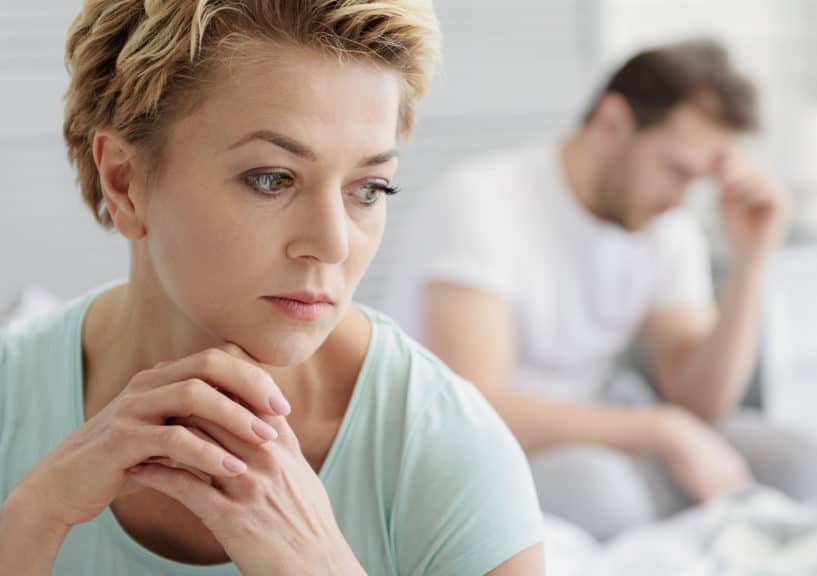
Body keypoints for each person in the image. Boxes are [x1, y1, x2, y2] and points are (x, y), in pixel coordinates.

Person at [0, 1, 545, 574]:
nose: (333, 243)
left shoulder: (443, 451)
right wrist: (32, 519)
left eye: (369, 189)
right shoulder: (12, 399)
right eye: (272, 179)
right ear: (126, 182)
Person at [393, 39, 817, 540]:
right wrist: (660, 428)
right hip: (492, 450)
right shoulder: (481, 204)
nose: (683, 199)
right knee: (603, 493)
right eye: (677, 170)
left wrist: (752, 260)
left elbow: (700, 405)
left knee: (803, 467)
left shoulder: (667, 225)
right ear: (612, 122)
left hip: (607, 434)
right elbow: (477, 412)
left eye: (700, 181)